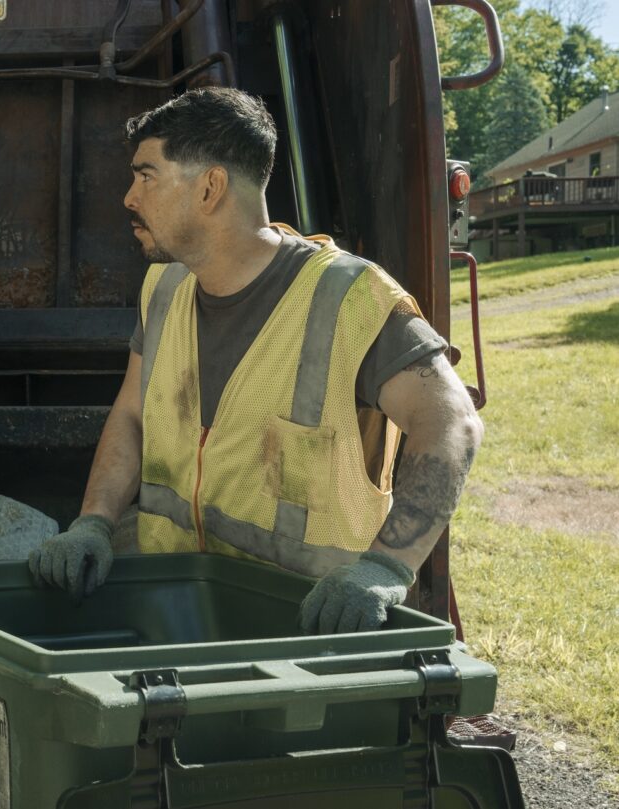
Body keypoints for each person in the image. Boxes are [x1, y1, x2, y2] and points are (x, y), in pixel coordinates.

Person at [29, 87, 483, 635]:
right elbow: (131, 414)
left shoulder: (349, 297)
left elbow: (452, 424)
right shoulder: (163, 287)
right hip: (177, 622)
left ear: (210, 188)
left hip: (306, 640)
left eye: (146, 176)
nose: (129, 197)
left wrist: (385, 568)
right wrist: (94, 522)